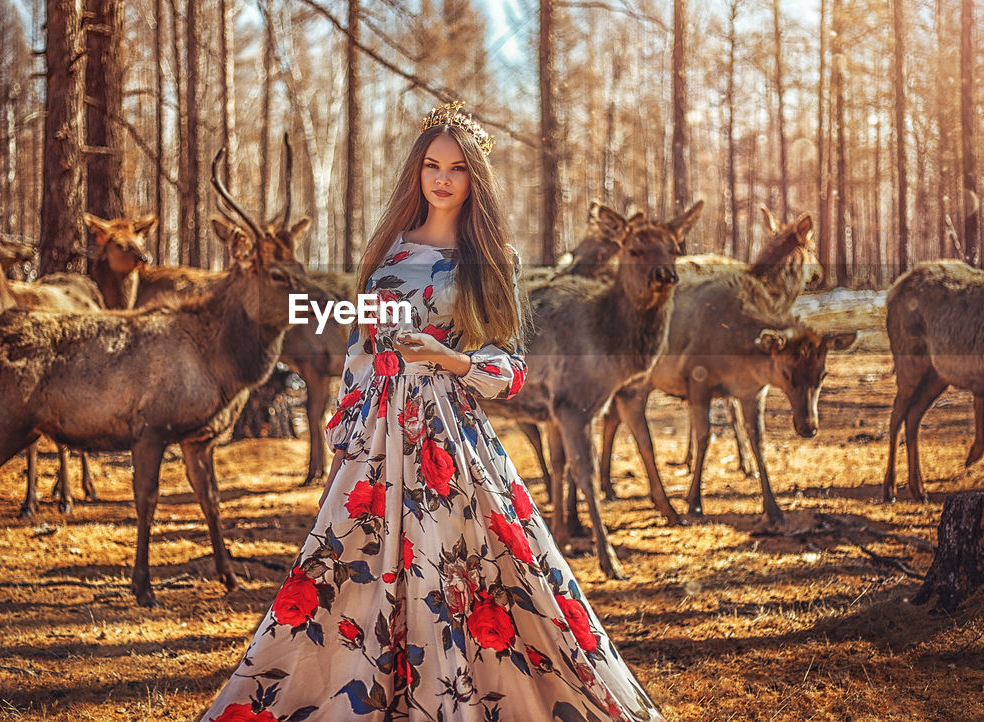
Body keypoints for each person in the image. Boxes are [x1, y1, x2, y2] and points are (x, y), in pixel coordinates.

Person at [198, 102, 663, 721]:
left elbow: (511, 367)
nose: (442, 179)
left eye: (457, 169)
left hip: (449, 436)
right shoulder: (388, 252)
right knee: (348, 573)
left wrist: (453, 359)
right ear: (417, 172)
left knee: (473, 574)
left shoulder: (491, 259)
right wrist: (345, 429)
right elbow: (362, 349)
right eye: (431, 166)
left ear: (475, 180)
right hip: (377, 437)